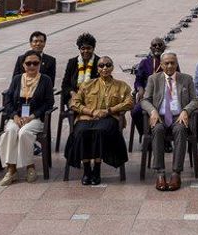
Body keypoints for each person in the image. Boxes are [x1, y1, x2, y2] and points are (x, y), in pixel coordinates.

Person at [64, 55, 132, 185]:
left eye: (108, 65)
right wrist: (91, 111)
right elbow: (74, 103)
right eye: (101, 65)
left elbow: (129, 102)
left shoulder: (121, 86)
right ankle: (87, 170)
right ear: (97, 68)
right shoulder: (87, 85)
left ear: (112, 67)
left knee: (100, 131)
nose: (104, 68)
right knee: (81, 132)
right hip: (87, 117)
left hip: (109, 118)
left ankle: (97, 168)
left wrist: (110, 110)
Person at [140, 51, 198, 191]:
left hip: (178, 117)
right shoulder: (153, 79)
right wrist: (152, 111)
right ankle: (160, 173)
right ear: (161, 65)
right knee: (158, 130)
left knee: (180, 130)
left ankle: (175, 173)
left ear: (177, 64)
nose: (170, 65)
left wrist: (186, 111)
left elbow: (195, 101)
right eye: (166, 63)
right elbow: (144, 101)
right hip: (159, 117)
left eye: (173, 62)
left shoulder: (186, 79)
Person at [0, 51, 54, 186]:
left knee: (24, 133)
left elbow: (48, 103)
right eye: (28, 63)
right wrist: (15, 116)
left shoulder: (46, 80)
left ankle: (30, 166)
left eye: (35, 63)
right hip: (16, 117)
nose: (32, 66)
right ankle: (11, 169)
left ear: (40, 64)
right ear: (23, 65)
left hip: (35, 118)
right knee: (10, 131)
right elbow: (8, 100)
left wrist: (32, 116)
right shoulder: (17, 79)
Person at [131, 37, 167, 137]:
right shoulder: (145, 62)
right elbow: (138, 80)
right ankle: (147, 135)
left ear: (164, 47)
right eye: (154, 45)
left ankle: (166, 139)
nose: (157, 47)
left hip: (165, 97)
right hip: (147, 97)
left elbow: (178, 78)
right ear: (151, 48)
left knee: (168, 112)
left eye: (160, 45)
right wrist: (140, 88)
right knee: (136, 112)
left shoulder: (169, 62)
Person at [61, 33, 99, 109]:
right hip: (75, 97)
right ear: (79, 49)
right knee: (75, 104)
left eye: (88, 48)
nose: (86, 51)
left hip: (94, 98)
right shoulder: (72, 62)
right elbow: (65, 84)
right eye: (83, 48)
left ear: (93, 48)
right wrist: (72, 93)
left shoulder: (99, 62)